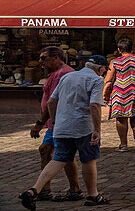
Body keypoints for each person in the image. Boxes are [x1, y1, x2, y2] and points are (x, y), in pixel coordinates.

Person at [19, 55, 110, 210]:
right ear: (100, 69)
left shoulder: (68, 77)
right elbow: (94, 105)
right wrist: (97, 130)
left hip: (62, 127)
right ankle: (92, 195)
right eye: (104, 70)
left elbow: (51, 102)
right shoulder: (96, 80)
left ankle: (34, 190)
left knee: (59, 159)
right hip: (83, 127)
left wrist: (55, 122)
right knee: (88, 159)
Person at [28, 47, 82, 203]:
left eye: (44, 58)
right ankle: (47, 190)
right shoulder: (58, 74)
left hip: (59, 122)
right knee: (49, 151)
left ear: (57, 58)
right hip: (56, 122)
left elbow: (53, 102)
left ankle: (73, 189)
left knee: (63, 153)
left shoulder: (62, 75)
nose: (41, 62)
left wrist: (39, 123)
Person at [102, 36, 135, 150]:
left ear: (119, 50)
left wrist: (105, 95)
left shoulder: (115, 62)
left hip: (120, 93)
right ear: (132, 48)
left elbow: (108, 81)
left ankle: (123, 144)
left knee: (121, 117)